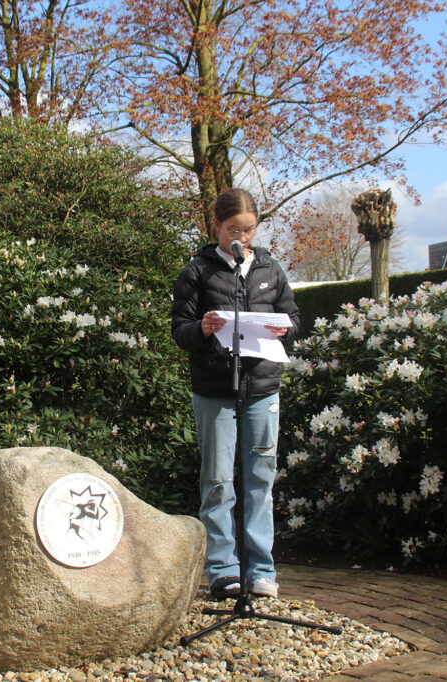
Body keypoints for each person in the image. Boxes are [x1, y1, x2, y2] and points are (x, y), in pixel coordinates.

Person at [170, 187, 299, 601]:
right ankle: (223, 570)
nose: (241, 237)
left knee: (260, 479)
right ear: (217, 227)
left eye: (249, 229)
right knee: (218, 480)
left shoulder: (270, 269)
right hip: (215, 389)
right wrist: (202, 329)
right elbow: (180, 331)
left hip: (262, 388)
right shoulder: (198, 271)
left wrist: (286, 328)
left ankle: (262, 571)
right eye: (233, 230)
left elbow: (293, 319)